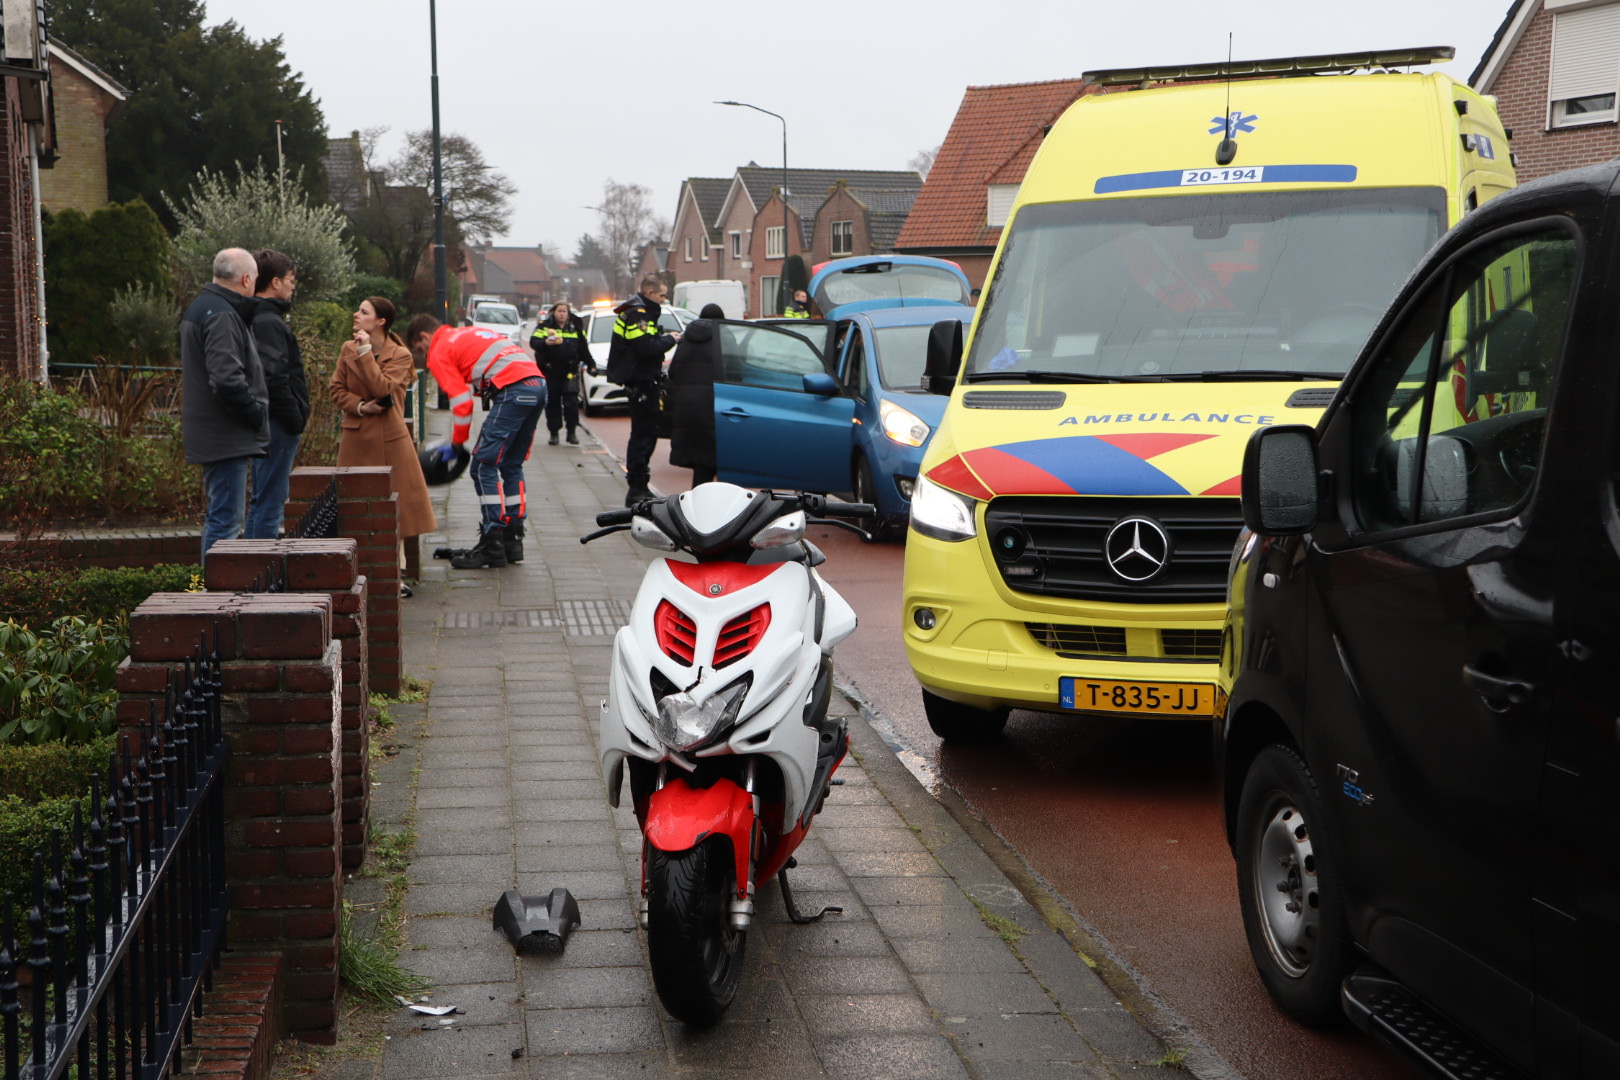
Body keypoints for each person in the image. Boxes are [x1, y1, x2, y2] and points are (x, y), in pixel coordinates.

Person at [407, 312, 546, 568]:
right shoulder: (467, 333)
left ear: (425, 337)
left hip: (513, 388)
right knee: (511, 465)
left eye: (419, 348)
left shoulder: (439, 349)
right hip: (537, 385)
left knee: (483, 466)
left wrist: (456, 445)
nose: (423, 356)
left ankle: (492, 543)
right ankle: (513, 540)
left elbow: (461, 403)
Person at [329, 297, 438, 584]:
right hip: (355, 439)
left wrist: (365, 351)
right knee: (354, 509)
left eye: (363, 312)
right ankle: (358, 573)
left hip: (391, 441)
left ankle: (394, 577)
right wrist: (362, 406)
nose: (356, 314)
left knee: (394, 512)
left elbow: (383, 389)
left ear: (380, 322)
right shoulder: (347, 349)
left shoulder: (400, 355)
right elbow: (336, 390)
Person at [180, 247, 269, 559]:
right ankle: (215, 599)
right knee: (226, 521)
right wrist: (255, 415)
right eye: (256, 279)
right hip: (225, 435)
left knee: (222, 516)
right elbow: (227, 379)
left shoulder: (203, 307)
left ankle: (214, 594)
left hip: (213, 432)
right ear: (246, 279)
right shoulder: (222, 314)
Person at [244, 249, 309, 540]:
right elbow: (273, 376)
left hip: (269, 422)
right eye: (290, 279)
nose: (293, 286)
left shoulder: (256, 318)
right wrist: (294, 417)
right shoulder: (269, 322)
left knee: (262, 499)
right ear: (274, 282)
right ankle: (262, 573)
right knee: (270, 502)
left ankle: (254, 568)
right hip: (278, 424)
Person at [605, 276, 679, 505]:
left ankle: (640, 486)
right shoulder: (638, 314)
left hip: (645, 381)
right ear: (649, 292)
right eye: (662, 295)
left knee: (646, 434)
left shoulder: (638, 311)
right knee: (642, 436)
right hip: (641, 383)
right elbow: (646, 347)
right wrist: (670, 339)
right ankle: (636, 488)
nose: (664, 299)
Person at [666, 302, 726, 487]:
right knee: (719, 461)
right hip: (715, 406)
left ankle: (698, 505)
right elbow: (735, 371)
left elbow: (673, 373)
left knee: (701, 464)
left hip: (687, 407)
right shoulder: (724, 337)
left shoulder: (685, 339)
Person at [529, 301, 590, 446]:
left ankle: (571, 432)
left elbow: (583, 348)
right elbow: (534, 342)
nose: (562, 314)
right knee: (553, 403)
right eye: (559, 311)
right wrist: (545, 343)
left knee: (572, 403)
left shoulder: (575, 327)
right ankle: (554, 433)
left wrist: (591, 364)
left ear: (568, 314)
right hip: (551, 370)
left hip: (569, 371)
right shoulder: (545, 326)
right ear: (554, 312)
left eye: (564, 311)